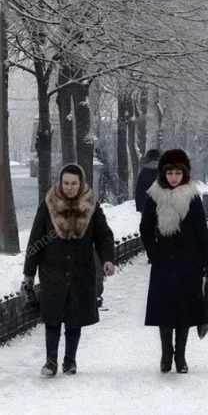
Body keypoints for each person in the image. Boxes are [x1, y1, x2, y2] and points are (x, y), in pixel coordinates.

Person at [22, 163, 115, 377]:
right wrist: (29, 273)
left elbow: (104, 236)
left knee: (75, 317)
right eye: (66, 183)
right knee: (52, 318)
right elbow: (35, 239)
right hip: (52, 272)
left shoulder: (92, 206)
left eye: (74, 183)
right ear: (60, 183)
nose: (69, 187)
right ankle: (51, 361)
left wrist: (108, 259)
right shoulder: (48, 205)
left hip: (81, 272)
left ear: (81, 183)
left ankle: (70, 361)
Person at [140, 148, 208, 374]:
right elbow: (145, 227)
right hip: (163, 262)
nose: (174, 177)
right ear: (164, 173)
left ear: (185, 174)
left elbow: (202, 230)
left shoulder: (192, 197)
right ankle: (166, 355)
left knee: (184, 309)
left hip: (189, 262)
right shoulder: (154, 196)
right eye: (170, 173)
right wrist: (154, 253)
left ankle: (180, 356)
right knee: (164, 309)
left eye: (178, 173)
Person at [135, 148, 160, 212]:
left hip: (146, 205)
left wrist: (139, 207)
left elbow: (139, 190)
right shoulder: (164, 171)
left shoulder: (144, 171)